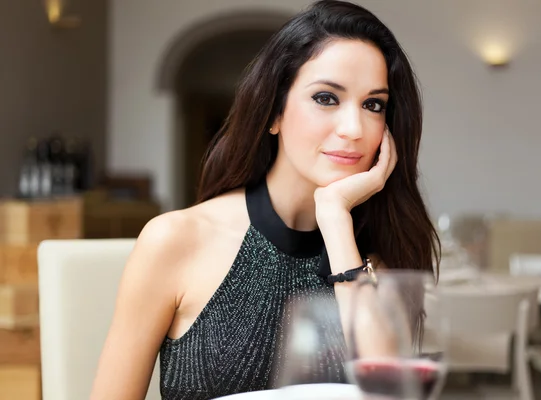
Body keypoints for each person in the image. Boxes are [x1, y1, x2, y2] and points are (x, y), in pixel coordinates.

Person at [90, 1, 440, 399]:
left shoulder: (374, 258)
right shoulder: (176, 239)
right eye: (326, 97)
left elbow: (387, 396)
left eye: (373, 104)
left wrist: (336, 218)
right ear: (274, 113)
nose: (353, 128)